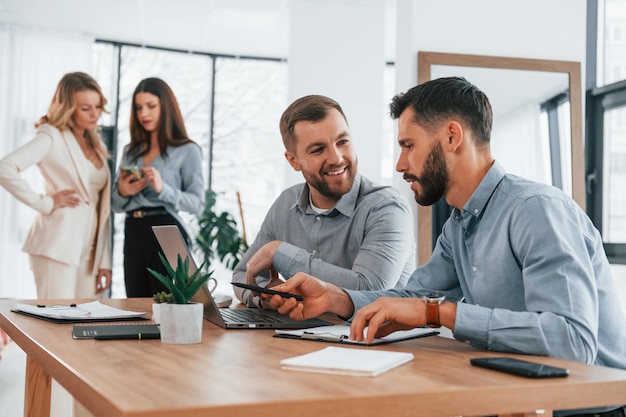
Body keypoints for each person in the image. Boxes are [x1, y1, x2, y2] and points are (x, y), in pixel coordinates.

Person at [266, 78, 626, 417]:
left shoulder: (536, 210)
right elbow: (414, 295)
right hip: (515, 397)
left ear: (452, 136)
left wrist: (437, 313)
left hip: (589, 407)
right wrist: (334, 297)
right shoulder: (459, 224)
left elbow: (573, 342)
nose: (400, 165)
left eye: (408, 146)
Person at [232, 94, 415, 308]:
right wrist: (270, 298)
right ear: (294, 161)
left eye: (343, 141)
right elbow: (243, 274)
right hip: (299, 336)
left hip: (372, 339)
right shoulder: (285, 204)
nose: (336, 158)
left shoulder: (387, 208)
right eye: (318, 150)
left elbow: (370, 290)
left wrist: (280, 253)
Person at [0, 72, 112, 298]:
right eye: (85, 108)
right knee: (56, 323)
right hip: (57, 245)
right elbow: (5, 167)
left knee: (87, 323)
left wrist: (104, 260)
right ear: (68, 108)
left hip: (89, 250)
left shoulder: (94, 142)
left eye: (98, 106)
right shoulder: (51, 136)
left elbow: (102, 206)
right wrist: (46, 202)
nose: (95, 114)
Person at [111, 77, 204, 298]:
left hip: (166, 229)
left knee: (166, 304)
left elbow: (198, 204)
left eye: (151, 106)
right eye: (139, 107)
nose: (144, 114)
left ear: (166, 107)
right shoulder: (130, 151)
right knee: (136, 304)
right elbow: (115, 205)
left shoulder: (187, 150)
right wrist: (123, 191)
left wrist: (163, 189)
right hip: (133, 229)